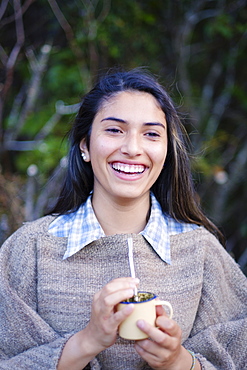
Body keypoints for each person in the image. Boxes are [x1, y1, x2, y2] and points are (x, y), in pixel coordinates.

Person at [0, 68, 246, 370]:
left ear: (166, 151)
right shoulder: (29, 250)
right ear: (85, 145)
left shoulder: (202, 252)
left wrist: (178, 362)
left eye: (151, 134)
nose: (132, 148)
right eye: (114, 130)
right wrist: (86, 342)